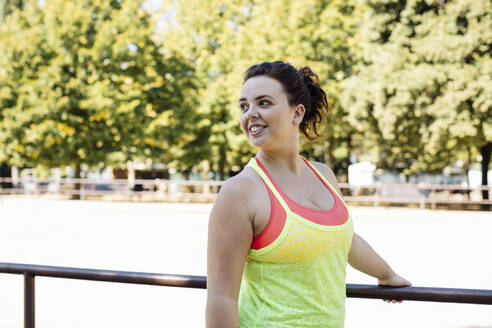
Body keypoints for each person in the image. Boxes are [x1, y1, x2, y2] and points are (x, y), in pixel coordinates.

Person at [206, 61, 411, 328]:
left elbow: (344, 240)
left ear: (297, 113)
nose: (250, 114)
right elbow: (221, 296)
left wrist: (387, 274)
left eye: (263, 103)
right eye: (244, 106)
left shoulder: (324, 175)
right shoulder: (240, 191)